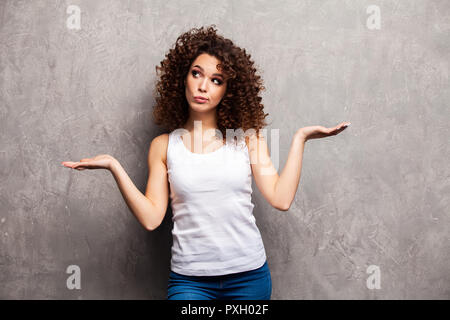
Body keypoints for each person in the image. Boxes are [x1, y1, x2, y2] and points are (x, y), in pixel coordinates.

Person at [61, 25, 350, 300]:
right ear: (182, 78)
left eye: (216, 80)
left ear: (228, 90)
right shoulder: (163, 146)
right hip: (190, 281)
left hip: (249, 278)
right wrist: (114, 166)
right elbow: (151, 219)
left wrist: (300, 139)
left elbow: (281, 198)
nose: (203, 86)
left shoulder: (247, 140)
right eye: (196, 74)